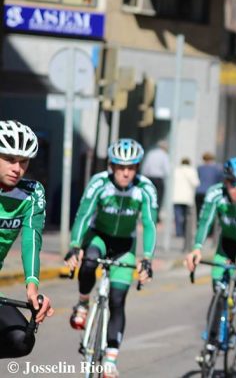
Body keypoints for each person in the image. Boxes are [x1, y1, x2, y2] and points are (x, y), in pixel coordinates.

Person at [65, 138, 157, 378]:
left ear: (137, 168)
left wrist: (147, 257)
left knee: (117, 299)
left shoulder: (145, 188)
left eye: (131, 167)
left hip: (125, 245)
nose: (125, 173)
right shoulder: (99, 183)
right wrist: (75, 245)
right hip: (99, 237)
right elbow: (84, 214)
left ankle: (110, 360)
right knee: (89, 262)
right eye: (120, 167)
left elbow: (148, 224)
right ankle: (83, 302)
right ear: (111, 166)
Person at [185, 157, 236, 328]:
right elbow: (205, 221)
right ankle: (213, 340)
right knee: (218, 287)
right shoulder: (215, 194)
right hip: (227, 243)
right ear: (225, 181)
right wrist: (197, 248)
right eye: (232, 183)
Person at [0, 120, 54, 358]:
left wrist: (32, 288)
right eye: (10, 159)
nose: (17, 168)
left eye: (23, 162)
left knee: (21, 340)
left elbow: (31, 239)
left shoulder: (32, 193)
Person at [173, 157, 200, 244]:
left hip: (176, 196)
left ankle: (178, 232)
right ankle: (185, 232)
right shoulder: (191, 171)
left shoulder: (176, 170)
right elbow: (196, 183)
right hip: (187, 197)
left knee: (178, 215)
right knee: (187, 216)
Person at [141, 140, 170, 216]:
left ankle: (148, 213)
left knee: (149, 197)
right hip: (159, 179)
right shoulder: (164, 155)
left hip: (150, 178)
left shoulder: (151, 153)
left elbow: (145, 168)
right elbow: (167, 170)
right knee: (158, 199)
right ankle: (155, 215)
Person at [195, 152, 223, 219]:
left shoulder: (199, 168)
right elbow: (220, 181)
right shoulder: (217, 169)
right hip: (211, 193)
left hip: (199, 192)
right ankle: (209, 229)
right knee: (210, 214)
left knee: (199, 214)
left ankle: (199, 228)